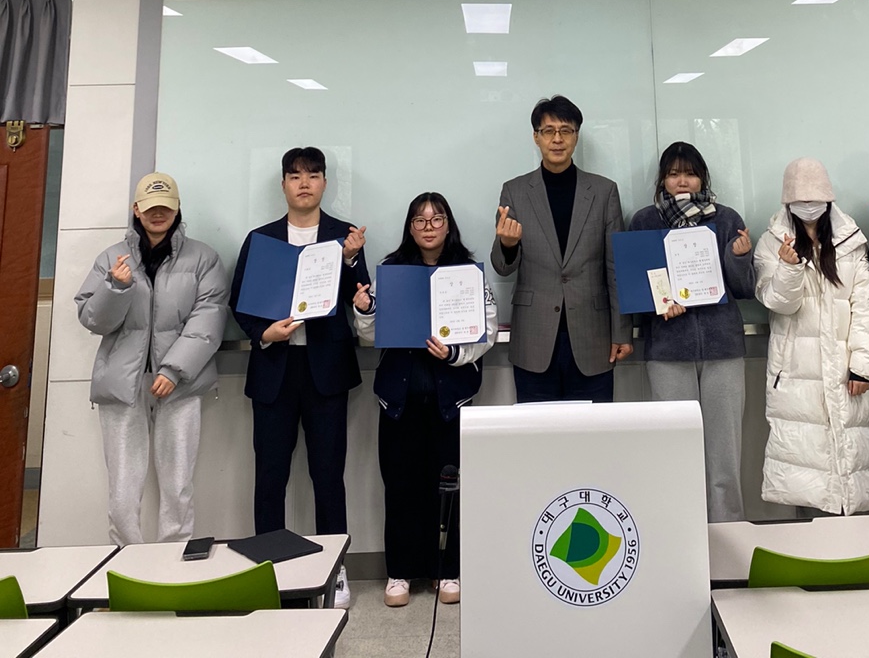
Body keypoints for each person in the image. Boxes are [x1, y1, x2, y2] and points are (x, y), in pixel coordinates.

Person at [230, 146, 369, 608]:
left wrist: (352, 261)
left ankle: (335, 572)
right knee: (270, 476)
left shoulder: (343, 236)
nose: (304, 183)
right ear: (284, 184)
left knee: (328, 475)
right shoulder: (261, 239)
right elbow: (239, 301)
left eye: (312, 175)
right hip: (275, 369)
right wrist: (263, 334)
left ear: (325, 182)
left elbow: (360, 298)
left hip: (325, 371)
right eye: (295, 176)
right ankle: (271, 572)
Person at [354, 192, 496, 609]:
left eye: (436, 219)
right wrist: (365, 310)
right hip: (399, 400)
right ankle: (400, 571)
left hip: (450, 400)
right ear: (410, 228)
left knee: (448, 487)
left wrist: (455, 354)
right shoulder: (393, 272)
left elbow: (486, 331)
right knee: (401, 486)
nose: (429, 227)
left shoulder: (468, 273)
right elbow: (370, 335)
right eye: (420, 220)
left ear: (448, 225)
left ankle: (446, 570)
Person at [74, 172, 228, 545]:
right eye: (151, 207)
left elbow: (208, 320)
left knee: (178, 482)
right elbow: (93, 320)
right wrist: (115, 287)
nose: (159, 214)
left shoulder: (204, 258)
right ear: (136, 209)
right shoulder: (111, 258)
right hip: (122, 386)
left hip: (180, 384)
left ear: (177, 209)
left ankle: (173, 560)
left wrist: (174, 371)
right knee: (123, 485)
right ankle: (126, 558)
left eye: (166, 207)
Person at [628, 142, 755, 521]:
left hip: (723, 350)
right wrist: (659, 301)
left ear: (702, 178)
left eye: (690, 173)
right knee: (675, 452)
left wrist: (739, 257)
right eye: (673, 174)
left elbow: (745, 288)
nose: (682, 181)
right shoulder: (645, 222)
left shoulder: (726, 219)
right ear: (662, 180)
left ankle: (728, 533)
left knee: (724, 456)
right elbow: (633, 286)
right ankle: (680, 532)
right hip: (668, 353)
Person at [754, 157, 869, 515]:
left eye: (815, 198)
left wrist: (862, 366)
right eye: (800, 199)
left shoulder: (850, 241)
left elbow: (868, 306)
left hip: (846, 372)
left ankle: (854, 544)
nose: (809, 206)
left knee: (850, 464)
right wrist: (789, 267)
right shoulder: (771, 242)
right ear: (788, 201)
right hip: (797, 374)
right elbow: (778, 303)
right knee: (805, 472)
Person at [490, 94, 631, 402]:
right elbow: (502, 266)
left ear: (576, 136)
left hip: (593, 337)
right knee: (537, 428)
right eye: (548, 131)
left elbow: (615, 268)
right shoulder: (514, 191)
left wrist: (621, 332)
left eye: (565, 130)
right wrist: (508, 245)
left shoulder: (604, 191)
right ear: (536, 137)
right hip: (534, 337)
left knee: (594, 427)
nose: (557, 139)